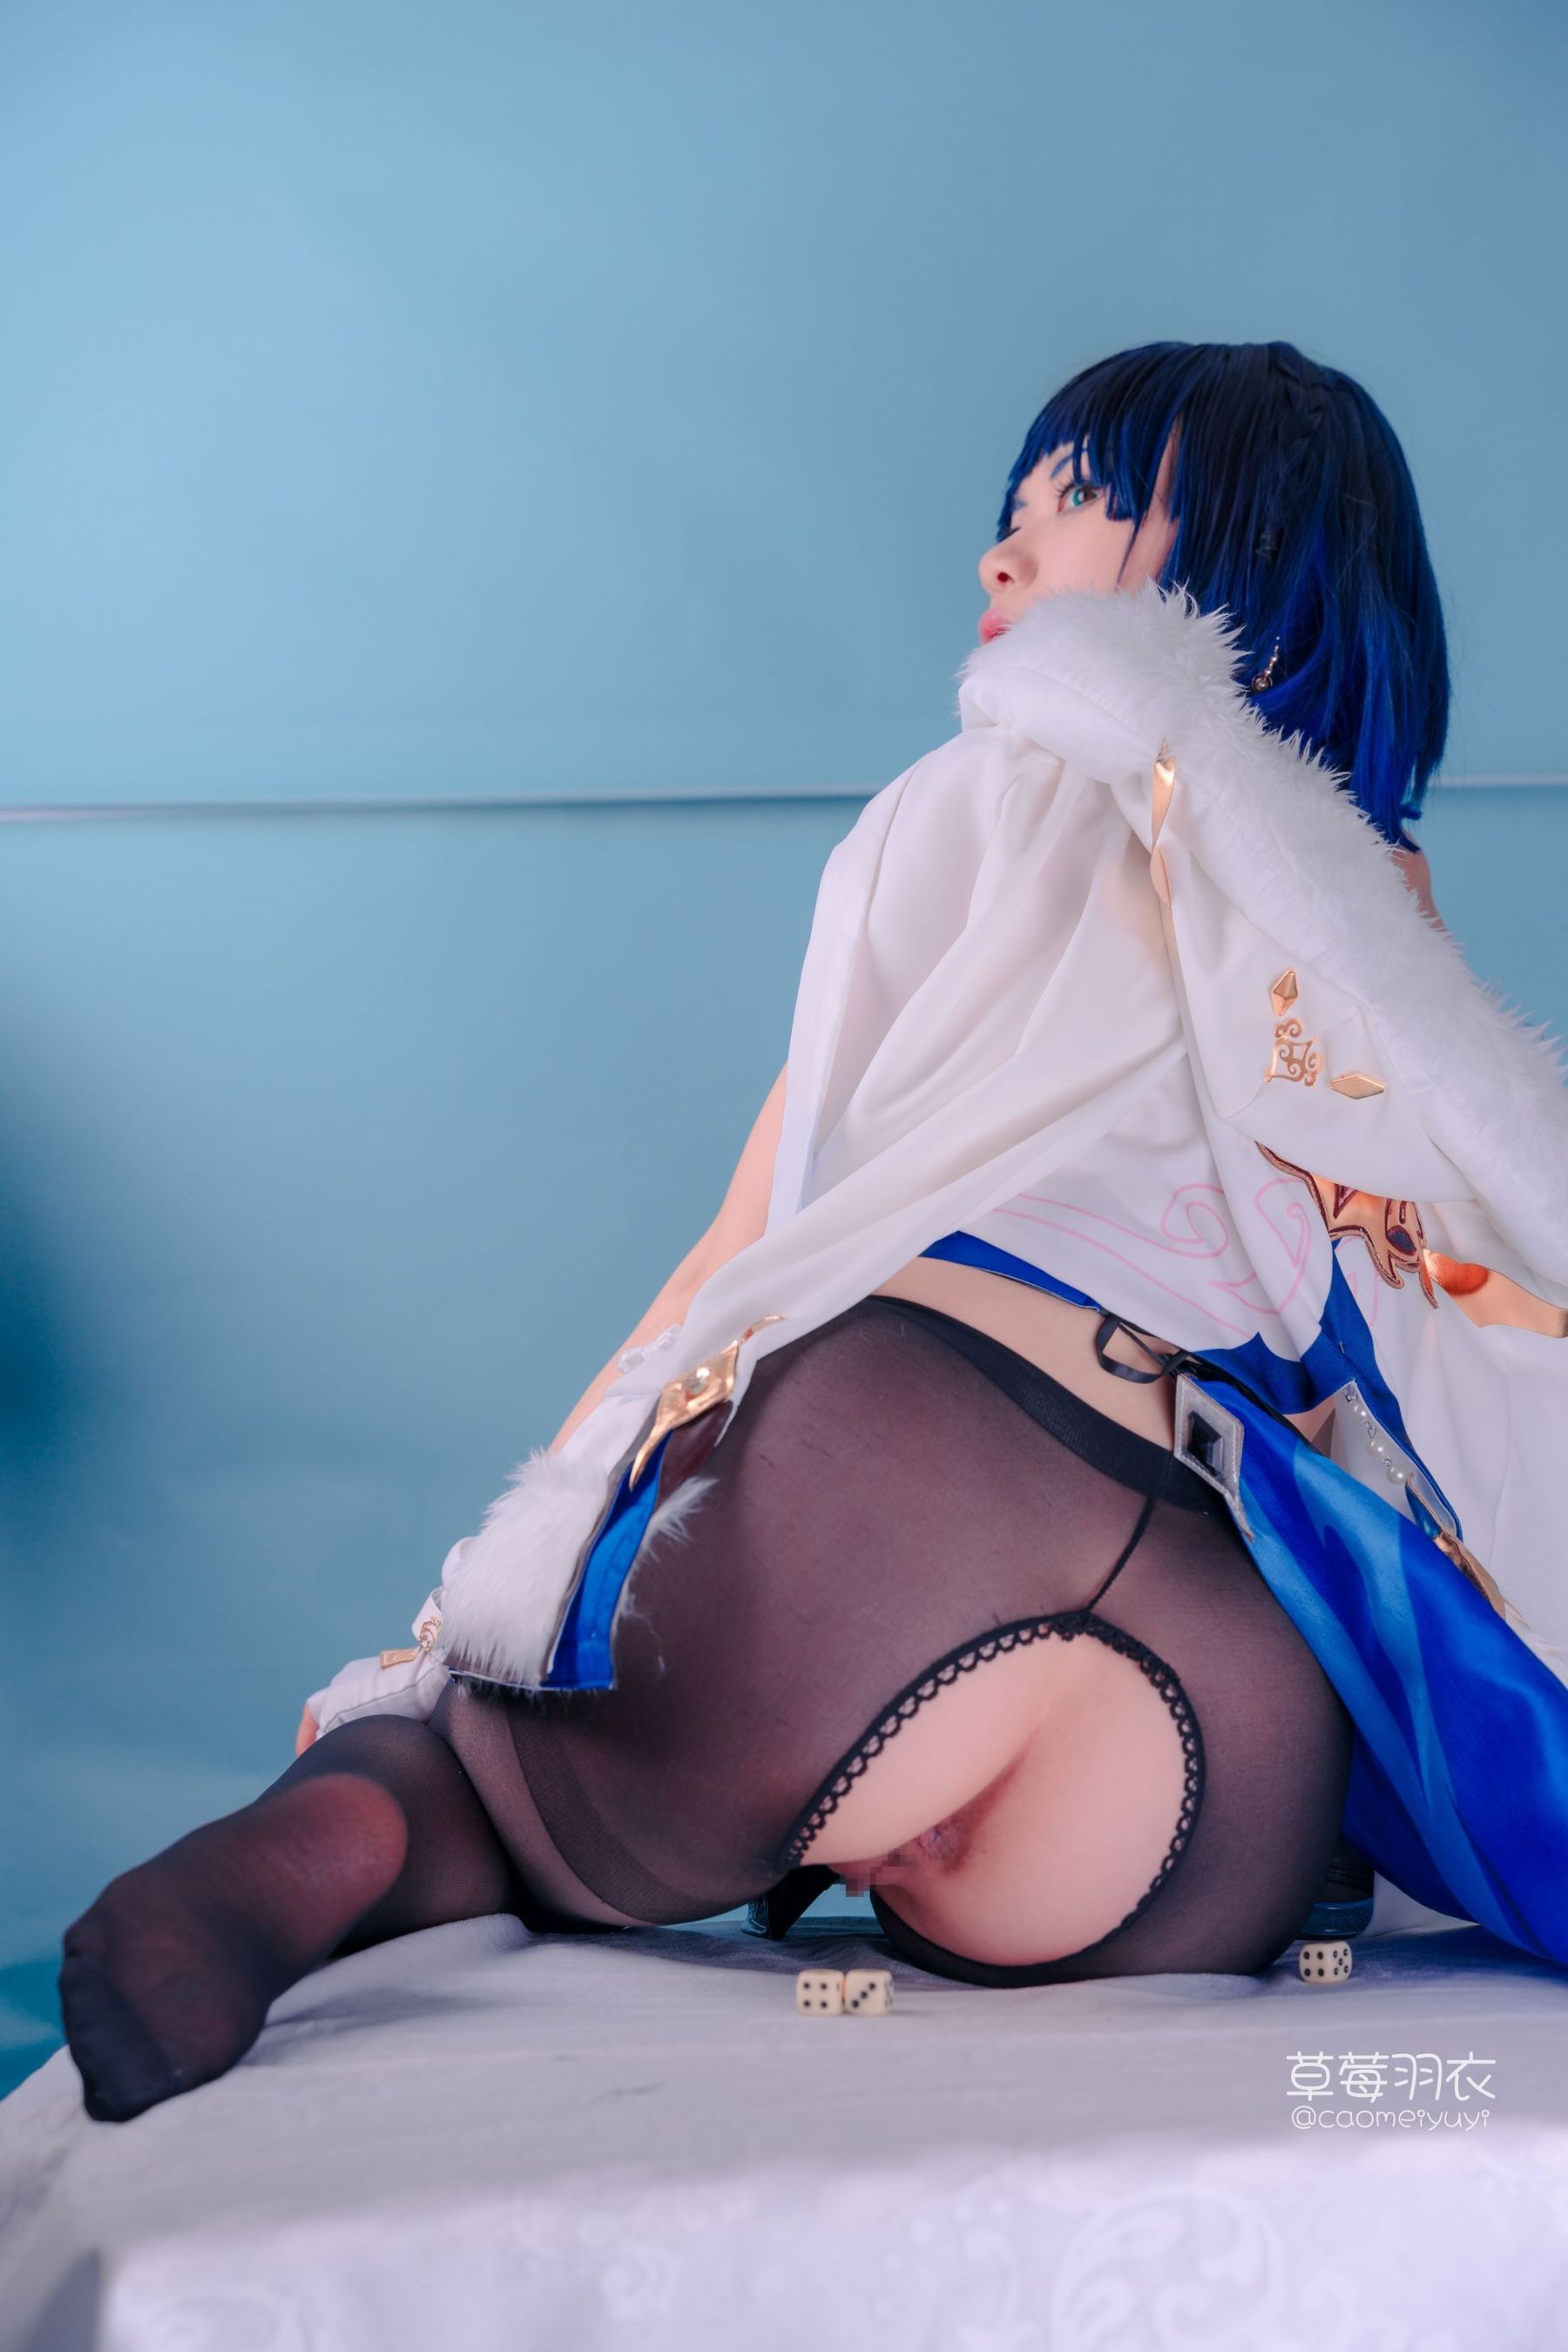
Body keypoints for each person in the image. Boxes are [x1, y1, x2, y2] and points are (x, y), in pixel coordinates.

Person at [59, 341, 1568, 2122]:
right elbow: (1434, 1371)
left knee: (482, 1793)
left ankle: (292, 1864)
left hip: (910, 1506)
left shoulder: (996, 789)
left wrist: (478, 1603)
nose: (1000, 557)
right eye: (1004, 519)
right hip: (1224, 1719)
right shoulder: (1385, 919)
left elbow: (750, 1248)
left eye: (1073, 507)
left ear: (1247, 548)